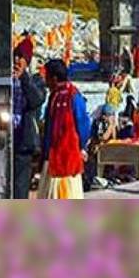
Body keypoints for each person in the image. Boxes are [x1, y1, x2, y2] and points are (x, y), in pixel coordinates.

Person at [40, 58, 89, 199]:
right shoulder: (54, 96)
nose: (45, 82)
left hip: (68, 156)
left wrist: (81, 146)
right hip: (52, 157)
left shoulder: (74, 96)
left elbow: (83, 124)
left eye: (47, 77)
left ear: (54, 79)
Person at [11, 41, 44, 200]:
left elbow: (36, 100)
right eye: (15, 56)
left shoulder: (35, 80)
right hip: (8, 138)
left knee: (19, 187)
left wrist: (23, 77)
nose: (17, 60)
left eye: (21, 57)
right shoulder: (9, 78)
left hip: (23, 141)